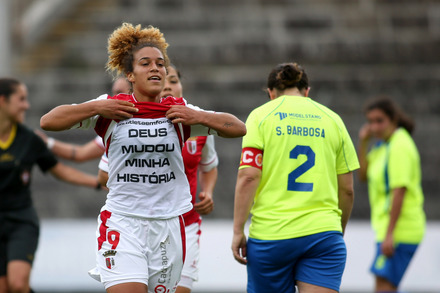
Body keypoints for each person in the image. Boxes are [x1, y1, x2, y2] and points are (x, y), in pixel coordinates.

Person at [39, 22, 246, 293]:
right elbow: (48, 121)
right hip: (123, 222)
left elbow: (238, 128)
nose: (156, 69)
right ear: (130, 74)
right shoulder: (113, 107)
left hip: (169, 225)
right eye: (146, 63)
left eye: (161, 64)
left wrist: (199, 117)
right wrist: (97, 106)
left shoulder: (179, 111)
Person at [231, 62, 359, 293]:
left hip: (272, 235)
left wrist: (238, 230)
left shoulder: (260, 116)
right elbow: (347, 189)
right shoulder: (333, 120)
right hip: (322, 234)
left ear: (271, 93)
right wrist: (335, 230)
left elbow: (249, 177)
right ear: (307, 90)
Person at [97, 64, 219, 293]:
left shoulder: (195, 122)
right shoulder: (132, 121)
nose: (169, 87)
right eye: (166, 81)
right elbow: (104, 175)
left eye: (174, 81)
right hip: (133, 221)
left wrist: (208, 191)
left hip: (184, 222)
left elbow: (210, 165)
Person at [0, 77, 102, 293]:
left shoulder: (29, 139)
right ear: (2, 101)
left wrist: (96, 182)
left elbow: (60, 170)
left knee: (17, 285)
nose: (26, 105)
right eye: (21, 99)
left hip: (21, 221)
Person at [357, 96, 425, 293]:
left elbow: (399, 191)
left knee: (384, 287)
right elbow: (363, 175)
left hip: (400, 230)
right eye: (371, 122)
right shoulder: (382, 146)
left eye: (380, 121)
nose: (375, 127)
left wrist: (390, 234)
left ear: (393, 119)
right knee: (383, 285)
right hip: (388, 229)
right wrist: (364, 143)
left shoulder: (400, 145)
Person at [35, 76, 131, 162]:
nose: (115, 97)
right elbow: (80, 153)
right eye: (114, 92)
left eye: (120, 92)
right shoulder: (112, 125)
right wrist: (48, 143)